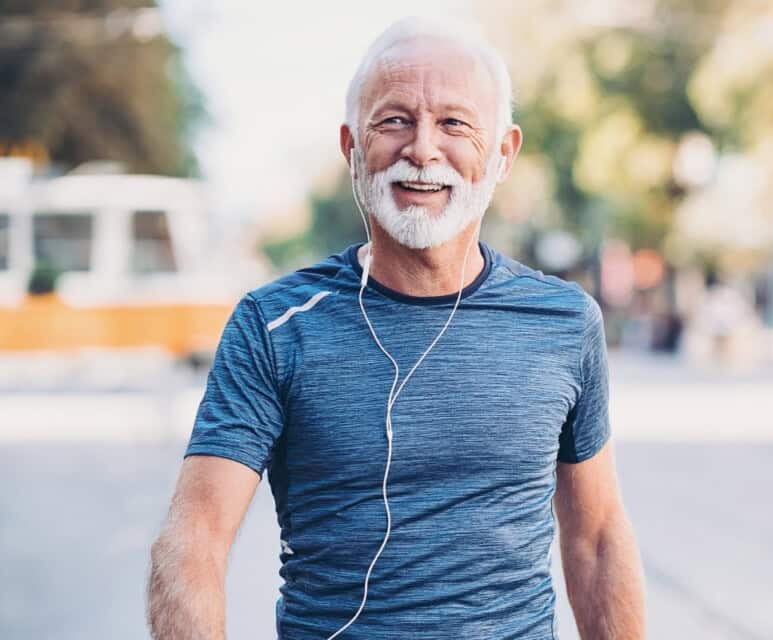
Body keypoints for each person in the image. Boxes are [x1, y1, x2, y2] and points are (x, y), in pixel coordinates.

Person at [147, 17, 645, 640]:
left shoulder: (565, 323)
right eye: (394, 120)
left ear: (503, 154)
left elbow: (597, 539)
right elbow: (195, 537)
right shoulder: (272, 326)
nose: (423, 149)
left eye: (455, 123)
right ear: (351, 147)